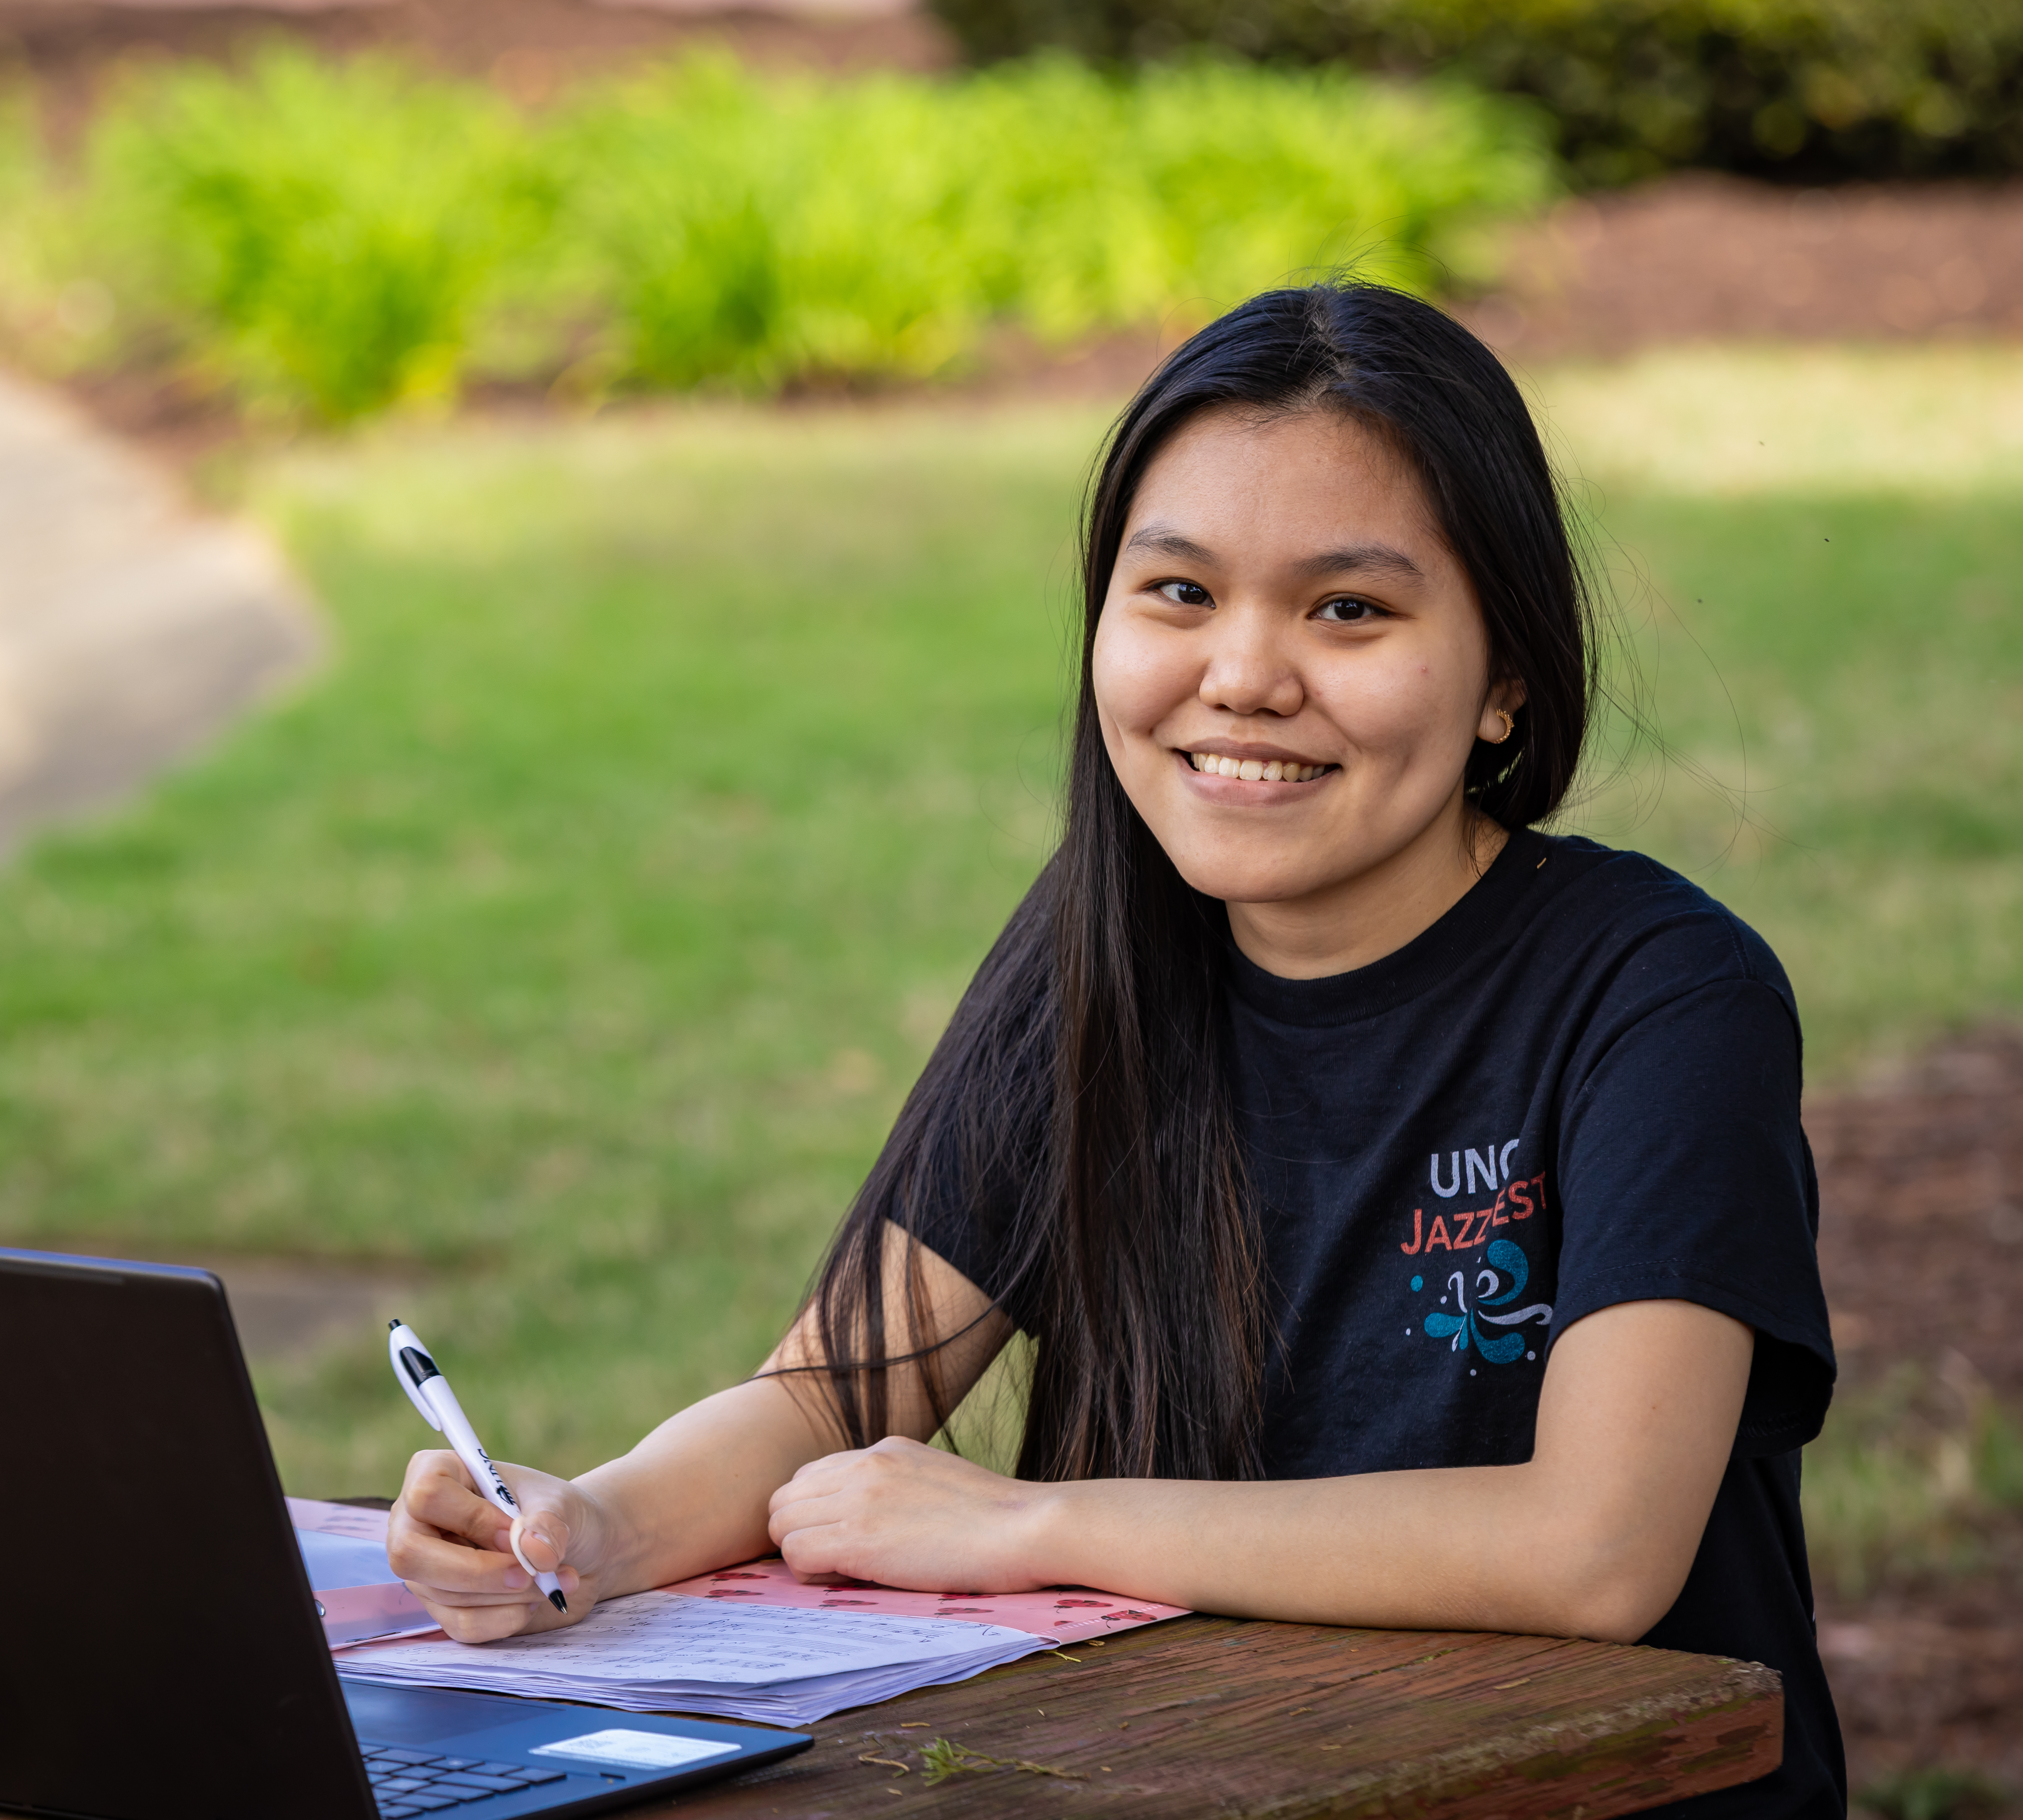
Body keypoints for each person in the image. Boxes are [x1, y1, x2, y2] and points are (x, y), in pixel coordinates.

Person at [386, 282, 1846, 1818]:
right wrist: (577, 1530)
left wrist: (1031, 1524)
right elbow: (833, 1395)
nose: (1244, 675)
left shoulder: (1656, 995)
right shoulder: (1103, 954)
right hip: (1204, 1773)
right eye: (1178, 594)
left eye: (1347, 608)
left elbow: (1593, 1549)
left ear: (1504, 680)